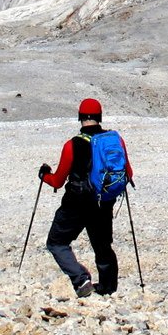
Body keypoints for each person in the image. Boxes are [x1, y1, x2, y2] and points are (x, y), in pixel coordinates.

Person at [37, 98, 132, 297]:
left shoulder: (72, 145)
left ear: (80, 117)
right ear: (100, 117)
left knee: (56, 243)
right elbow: (127, 173)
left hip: (76, 203)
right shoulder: (115, 140)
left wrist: (44, 174)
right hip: (103, 202)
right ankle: (108, 288)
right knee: (102, 245)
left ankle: (81, 279)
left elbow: (57, 181)